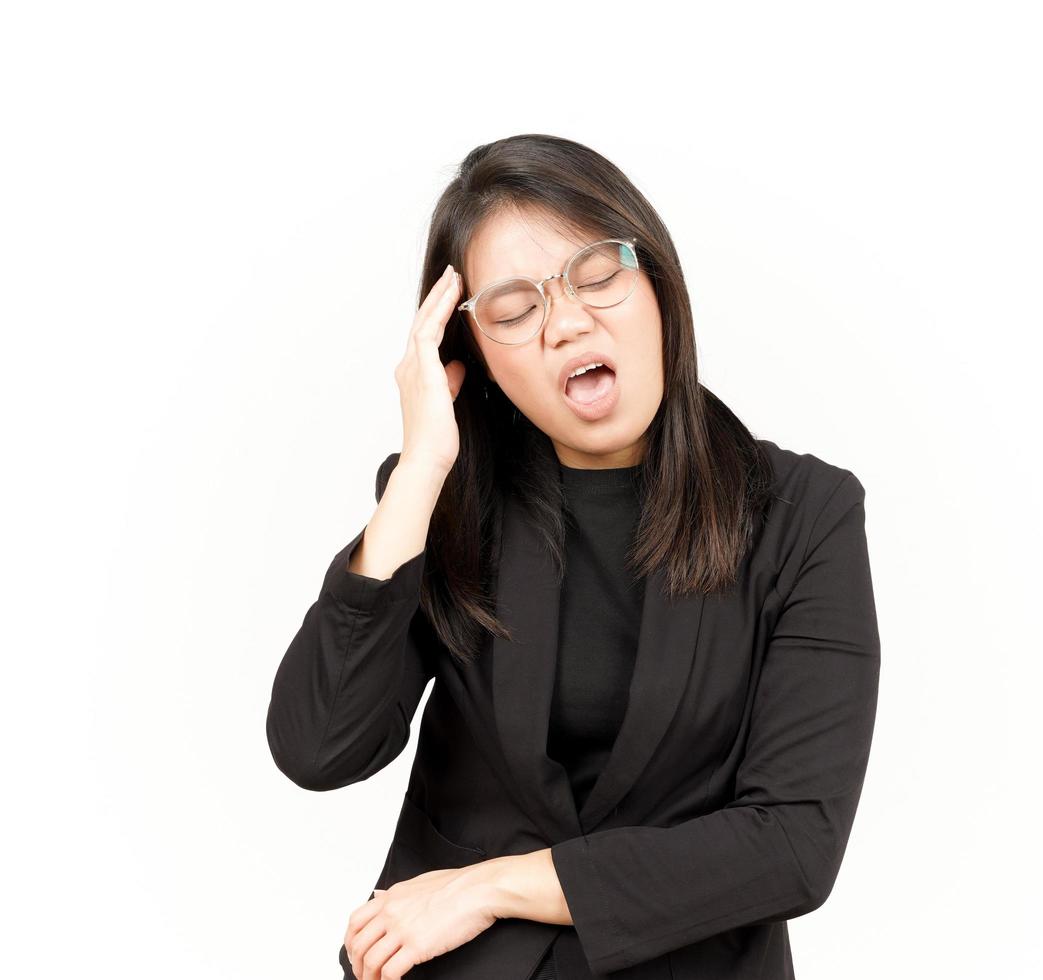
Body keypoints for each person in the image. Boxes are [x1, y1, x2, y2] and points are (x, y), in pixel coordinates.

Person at [265, 134, 882, 980]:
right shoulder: (442, 503)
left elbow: (793, 845)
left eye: (596, 276)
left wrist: (491, 887)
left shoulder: (804, 515)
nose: (567, 322)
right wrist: (419, 470)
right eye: (515, 310)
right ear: (468, 352)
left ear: (655, 281)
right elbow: (320, 748)